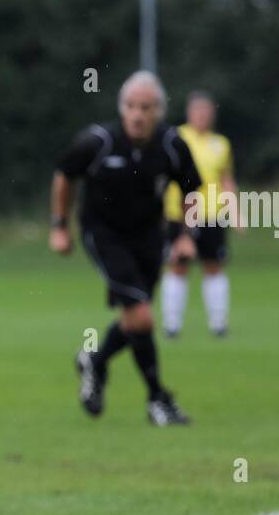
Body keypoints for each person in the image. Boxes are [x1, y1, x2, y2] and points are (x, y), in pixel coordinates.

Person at [50, 70, 200, 426]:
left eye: (146, 107)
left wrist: (183, 235)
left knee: (135, 316)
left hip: (148, 235)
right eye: (131, 106)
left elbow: (192, 190)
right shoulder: (98, 142)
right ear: (122, 109)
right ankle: (157, 400)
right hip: (102, 234)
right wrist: (59, 226)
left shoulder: (172, 145)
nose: (137, 114)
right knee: (142, 315)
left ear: (159, 111)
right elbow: (63, 175)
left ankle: (95, 362)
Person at [160, 91, 241, 338]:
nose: (203, 116)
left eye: (207, 112)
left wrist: (235, 211)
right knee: (177, 265)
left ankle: (218, 323)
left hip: (211, 214)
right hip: (179, 213)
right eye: (198, 112)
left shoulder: (221, 144)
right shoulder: (176, 137)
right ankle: (172, 325)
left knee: (213, 265)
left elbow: (227, 180)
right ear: (189, 113)